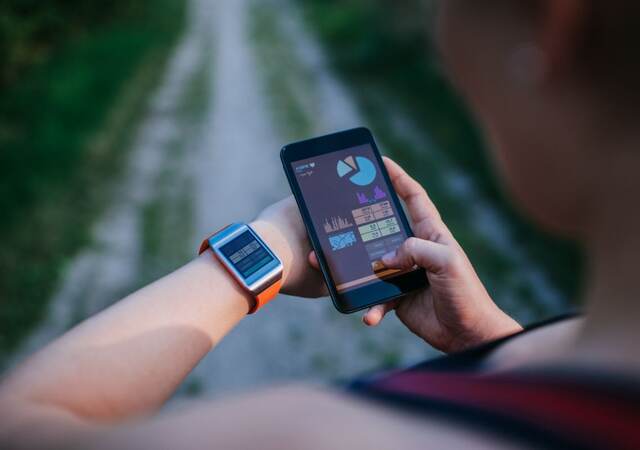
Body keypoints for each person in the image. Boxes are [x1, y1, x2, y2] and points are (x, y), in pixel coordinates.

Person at [2, 0, 639, 448]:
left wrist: (268, 244)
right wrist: (493, 343)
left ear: (556, 22)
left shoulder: (314, 436)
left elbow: (22, 424)